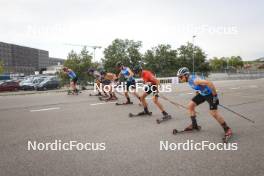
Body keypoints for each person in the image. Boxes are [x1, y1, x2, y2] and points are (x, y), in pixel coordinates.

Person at [176, 67, 232, 138]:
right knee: (190, 106)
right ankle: (194, 125)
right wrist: (197, 95)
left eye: (180, 77)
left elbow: (209, 83)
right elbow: (198, 87)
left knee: (213, 113)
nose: (179, 79)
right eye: (179, 77)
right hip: (202, 94)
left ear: (186, 75)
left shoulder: (194, 80)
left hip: (210, 94)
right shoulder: (189, 80)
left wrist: (215, 96)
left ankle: (227, 129)